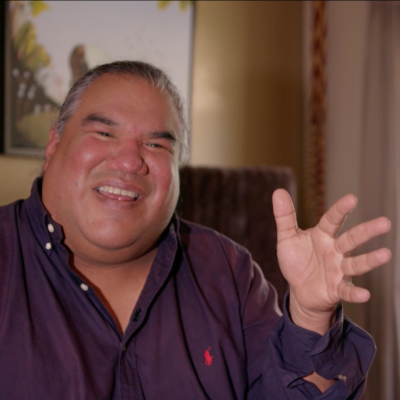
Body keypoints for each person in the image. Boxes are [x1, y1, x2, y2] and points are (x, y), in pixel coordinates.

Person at [0, 61, 391, 400]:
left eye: (156, 144)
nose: (129, 161)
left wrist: (309, 317)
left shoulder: (226, 270)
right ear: (54, 141)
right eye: (104, 133)